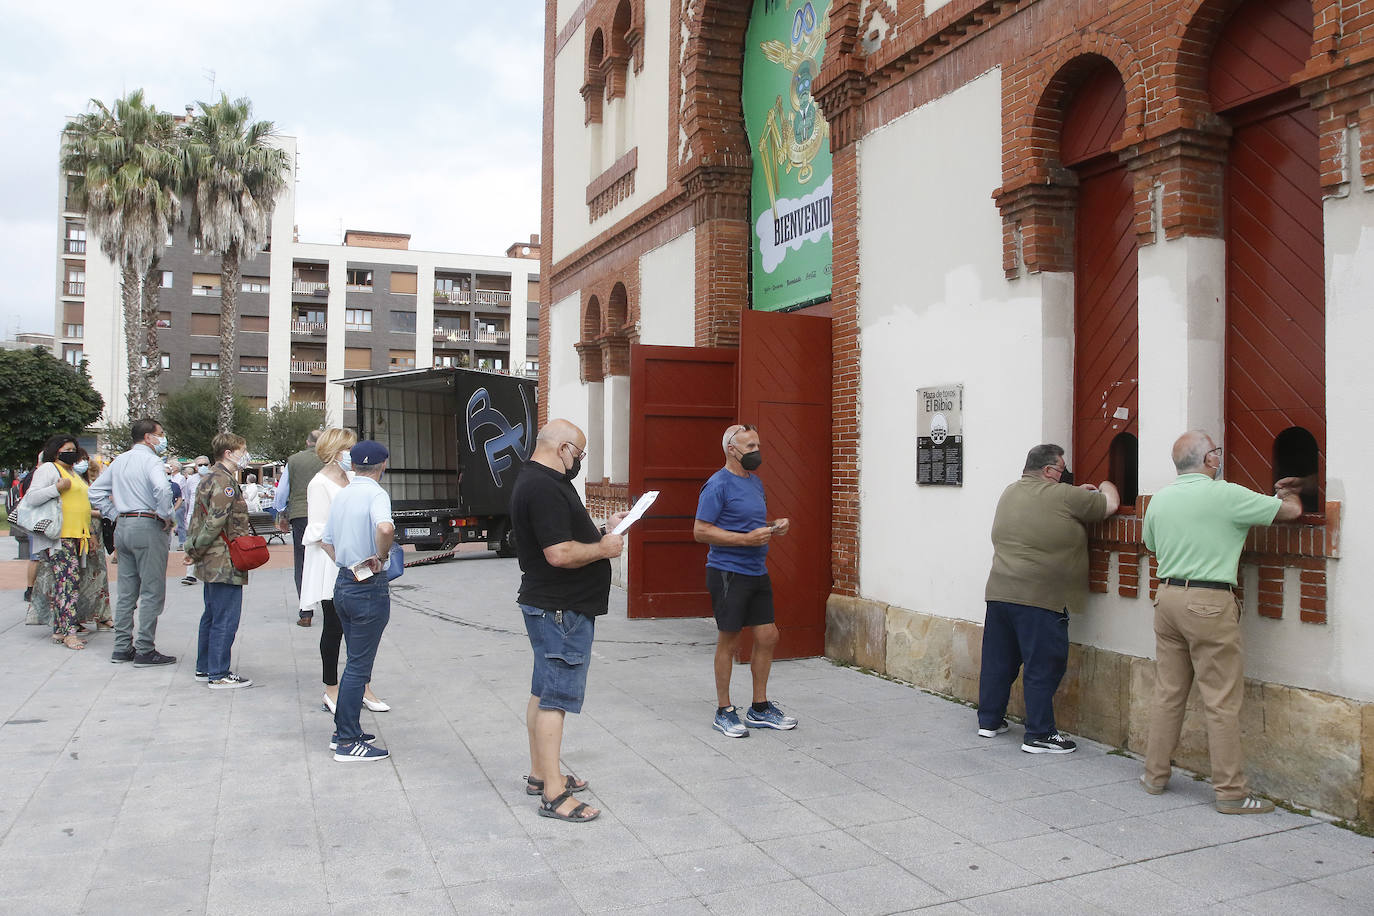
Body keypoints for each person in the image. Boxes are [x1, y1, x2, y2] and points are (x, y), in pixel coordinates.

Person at [1141, 430, 1302, 814]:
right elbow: (1291, 513)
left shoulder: (1160, 499)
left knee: (1168, 692)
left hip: (1167, 597)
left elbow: (1151, 545)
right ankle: (1231, 793)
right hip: (1209, 602)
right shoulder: (1226, 494)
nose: (1220, 456)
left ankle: (1154, 776)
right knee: (1221, 701)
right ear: (1210, 460)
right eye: (1217, 451)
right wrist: (1292, 492)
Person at [510, 419, 624, 822]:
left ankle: (542, 774)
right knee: (555, 696)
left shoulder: (539, 480)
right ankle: (555, 796)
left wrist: (601, 532)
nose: (579, 461)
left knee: (543, 689)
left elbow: (561, 534)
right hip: (560, 608)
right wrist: (605, 549)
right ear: (562, 448)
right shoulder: (544, 486)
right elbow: (558, 553)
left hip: (552, 604)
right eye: (579, 453)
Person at [977, 444, 1120, 754]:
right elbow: (1108, 504)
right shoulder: (1063, 495)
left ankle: (989, 720)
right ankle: (1040, 734)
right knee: (1044, 666)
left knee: (998, 661)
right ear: (1049, 471)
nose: (1064, 476)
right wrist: (1110, 481)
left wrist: (1073, 491)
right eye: (1062, 470)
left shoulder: (1010, 492)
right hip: (1040, 598)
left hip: (1000, 591)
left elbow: (1053, 504)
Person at [694, 424, 797, 738]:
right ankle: (724, 711)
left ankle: (760, 707)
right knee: (730, 641)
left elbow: (748, 525)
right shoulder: (716, 485)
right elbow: (701, 531)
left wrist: (773, 527)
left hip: (757, 571)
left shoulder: (755, 482)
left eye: (757, 445)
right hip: (728, 573)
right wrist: (744, 540)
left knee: (768, 636)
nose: (756, 451)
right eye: (749, 447)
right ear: (732, 450)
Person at [301, 429, 390, 715]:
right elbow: (317, 531)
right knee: (334, 626)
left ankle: (362, 686)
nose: (353, 455)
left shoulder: (353, 480)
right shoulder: (319, 483)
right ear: (335, 451)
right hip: (333, 562)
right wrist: (345, 559)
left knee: (359, 631)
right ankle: (331, 687)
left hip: (358, 559)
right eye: (348, 449)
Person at [322, 440, 395, 761]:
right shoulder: (376, 494)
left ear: (353, 464)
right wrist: (379, 555)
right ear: (382, 465)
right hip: (368, 586)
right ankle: (348, 740)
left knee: (354, 660)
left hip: (343, 581)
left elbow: (326, 542)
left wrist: (348, 564)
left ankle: (344, 729)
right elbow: (385, 526)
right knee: (358, 666)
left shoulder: (343, 494)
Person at [88, 418, 177, 667]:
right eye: (160, 434)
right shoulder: (152, 461)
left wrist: (114, 514)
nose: (162, 439)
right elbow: (162, 489)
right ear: (149, 437)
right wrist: (165, 514)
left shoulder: (120, 460)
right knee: (151, 589)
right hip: (147, 524)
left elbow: (94, 492)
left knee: (127, 591)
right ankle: (145, 649)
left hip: (124, 524)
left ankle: (121, 647)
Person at [185, 433, 255, 689]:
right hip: (224, 557)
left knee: (212, 615)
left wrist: (194, 548)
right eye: (242, 449)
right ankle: (219, 672)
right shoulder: (225, 482)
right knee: (225, 616)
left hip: (211, 558)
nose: (245, 454)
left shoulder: (207, 478)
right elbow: (215, 521)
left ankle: (205, 667)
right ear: (229, 452)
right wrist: (195, 548)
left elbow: (198, 519)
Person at [20, 435, 95, 650]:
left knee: (67, 584)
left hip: (78, 535)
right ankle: (69, 633)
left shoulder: (74, 473)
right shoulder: (49, 469)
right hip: (61, 536)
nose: (72, 452)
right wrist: (57, 488)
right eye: (67, 449)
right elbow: (32, 497)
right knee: (67, 584)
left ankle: (61, 630)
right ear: (56, 451)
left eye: (74, 448)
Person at [276, 429, 325, 626]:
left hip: (301, 515)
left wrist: (282, 513)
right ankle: (333, 606)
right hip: (326, 514)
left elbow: (282, 491)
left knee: (303, 561)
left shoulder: (294, 460)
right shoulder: (330, 459)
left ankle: (306, 612)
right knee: (330, 559)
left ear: (307, 442)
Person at [180, 456, 210, 585]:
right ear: (196, 467)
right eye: (199, 465)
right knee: (191, 544)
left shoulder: (213, 479)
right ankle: (190, 574)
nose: (202, 467)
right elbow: (187, 499)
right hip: (193, 516)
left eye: (205, 464)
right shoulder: (191, 480)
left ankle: (208, 570)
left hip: (209, 516)